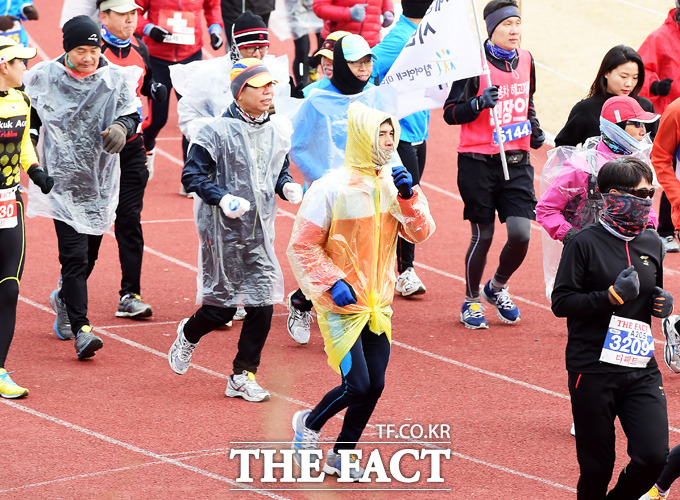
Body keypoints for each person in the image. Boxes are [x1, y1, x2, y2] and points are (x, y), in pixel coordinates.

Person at [287, 101, 435, 479]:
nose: (387, 142)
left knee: (376, 384)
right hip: (342, 303)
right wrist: (332, 282)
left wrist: (409, 198)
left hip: (377, 302)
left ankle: (342, 453)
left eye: (391, 135)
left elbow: (420, 233)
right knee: (358, 384)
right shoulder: (330, 188)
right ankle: (309, 424)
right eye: (380, 134)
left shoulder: (393, 183)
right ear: (362, 137)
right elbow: (303, 245)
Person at [167, 59, 303, 401]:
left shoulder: (277, 130)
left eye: (272, 85)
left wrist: (285, 186)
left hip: (260, 231)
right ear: (241, 91)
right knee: (222, 307)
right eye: (261, 86)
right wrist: (222, 197)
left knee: (264, 302)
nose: (270, 92)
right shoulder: (214, 131)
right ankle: (189, 332)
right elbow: (192, 177)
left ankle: (243, 375)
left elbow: (278, 169)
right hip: (221, 230)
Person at [552, 156, 671, 499]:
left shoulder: (652, 243)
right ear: (613, 195)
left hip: (640, 368)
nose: (647, 200)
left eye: (650, 192)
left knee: (653, 458)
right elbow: (561, 303)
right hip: (592, 369)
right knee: (596, 467)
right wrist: (611, 296)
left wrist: (660, 304)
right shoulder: (582, 243)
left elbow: (650, 295)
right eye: (639, 193)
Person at [25, 15, 140, 359]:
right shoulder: (44, 77)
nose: (89, 57)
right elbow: (29, 120)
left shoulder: (115, 78)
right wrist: (32, 164)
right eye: (80, 50)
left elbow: (132, 113)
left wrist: (122, 126)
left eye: (93, 49)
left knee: (89, 256)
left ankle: (63, 298)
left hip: (99, 182)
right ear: (67, 49)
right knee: (73, 257)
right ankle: (82, 330)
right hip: (60, 182)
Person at [286, 33, 395, 345]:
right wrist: (327, 183)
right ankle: (303, 302)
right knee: (324, 252)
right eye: (356, 61)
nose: (364, 66)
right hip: (328, 194)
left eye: (368, 60)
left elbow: (385, 137)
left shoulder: (374, 96)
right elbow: (300, 146)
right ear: (341, 65)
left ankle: (336, 311)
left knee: (357, 254)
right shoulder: (316, 100)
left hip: (366, 192)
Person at [442, 0, 544, 330]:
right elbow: (450, 113)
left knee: (521, 233)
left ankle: (495, 287)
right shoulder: (474, 65)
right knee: (483, 235)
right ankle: (471, 299)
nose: (514, 30)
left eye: (517, 23)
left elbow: (526, 104)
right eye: (506, 25)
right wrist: (477, 104)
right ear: (491, 30)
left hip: (516, 160)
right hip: (477, 162)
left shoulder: (526, 60)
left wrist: (536, 128)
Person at [554, 45, 675, 254]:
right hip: (590, 209)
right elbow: (563, 147)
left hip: (632, 204)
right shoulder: (585, 109)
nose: (629, 83)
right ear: (606, 73)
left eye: (636, 77)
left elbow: (652, 150)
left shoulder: (644, 107)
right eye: (623, 76)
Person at [98, 0, 168, 319]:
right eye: (122, 14)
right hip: (95, 150)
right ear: (104, 16)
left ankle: (130, 294)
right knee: (89, 225)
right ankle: (69, 291)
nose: (130, 19)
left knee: (129, 219)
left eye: (134, 13)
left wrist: (154, 89)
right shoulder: (91, 51)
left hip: (131, 143)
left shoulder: (140, 47)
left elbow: (145, 83)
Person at [0, 37, 53, 398]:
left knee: (9, 288)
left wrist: (34, 169)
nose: (26, 68)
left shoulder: (21, 98)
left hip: (8, 203)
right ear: (4, 66)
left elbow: (21, 143)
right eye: (21, 63)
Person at [371, 0, 432, 297]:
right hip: (401, 136)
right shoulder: (399, 39)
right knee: (408, 199)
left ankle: (398, 268)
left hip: (420, 130)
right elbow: (369, 68)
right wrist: (381, 111)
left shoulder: (425, 33)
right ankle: (405, 271)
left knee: (407, 200)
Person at [135, 0, 224, 173]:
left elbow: (213, 6)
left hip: (190, 58)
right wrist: (149, 29)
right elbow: (134, 12)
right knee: (157, 120)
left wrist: (215, 30)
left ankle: (191, 175)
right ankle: (146, 147)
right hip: (158, 60)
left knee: (193, 120)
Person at [639, 5, 680, 255]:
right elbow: (638, 70)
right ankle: (664, 229)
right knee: (671, 170)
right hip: (668, 114)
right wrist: (655, 86)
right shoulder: (659, 38)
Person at [312, 0, 394, 47]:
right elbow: (319, 7)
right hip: (339, 43)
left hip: (370, 43)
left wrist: (388, 10)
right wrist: (348, 13)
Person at [301, 30, 350, 97]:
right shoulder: (309, 93)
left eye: (332, 57)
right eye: (324, 56)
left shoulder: (366, 91)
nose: (327, 63)